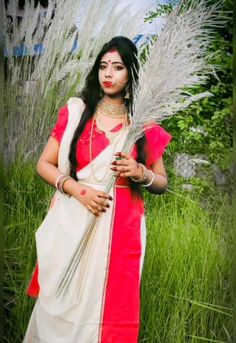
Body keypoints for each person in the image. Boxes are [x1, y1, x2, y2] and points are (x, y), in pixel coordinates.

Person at [23, 36, 172, 343]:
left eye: (117, 67)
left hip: (121, 231)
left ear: (130, 73)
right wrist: (79, 191)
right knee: (60, 301)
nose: (109, 73)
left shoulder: (143, 124)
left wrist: (140, 172)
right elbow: (44, 164)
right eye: (103, 66)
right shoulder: (76, 113)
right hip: (73, 219)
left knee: (105, 310)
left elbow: (161, 183)